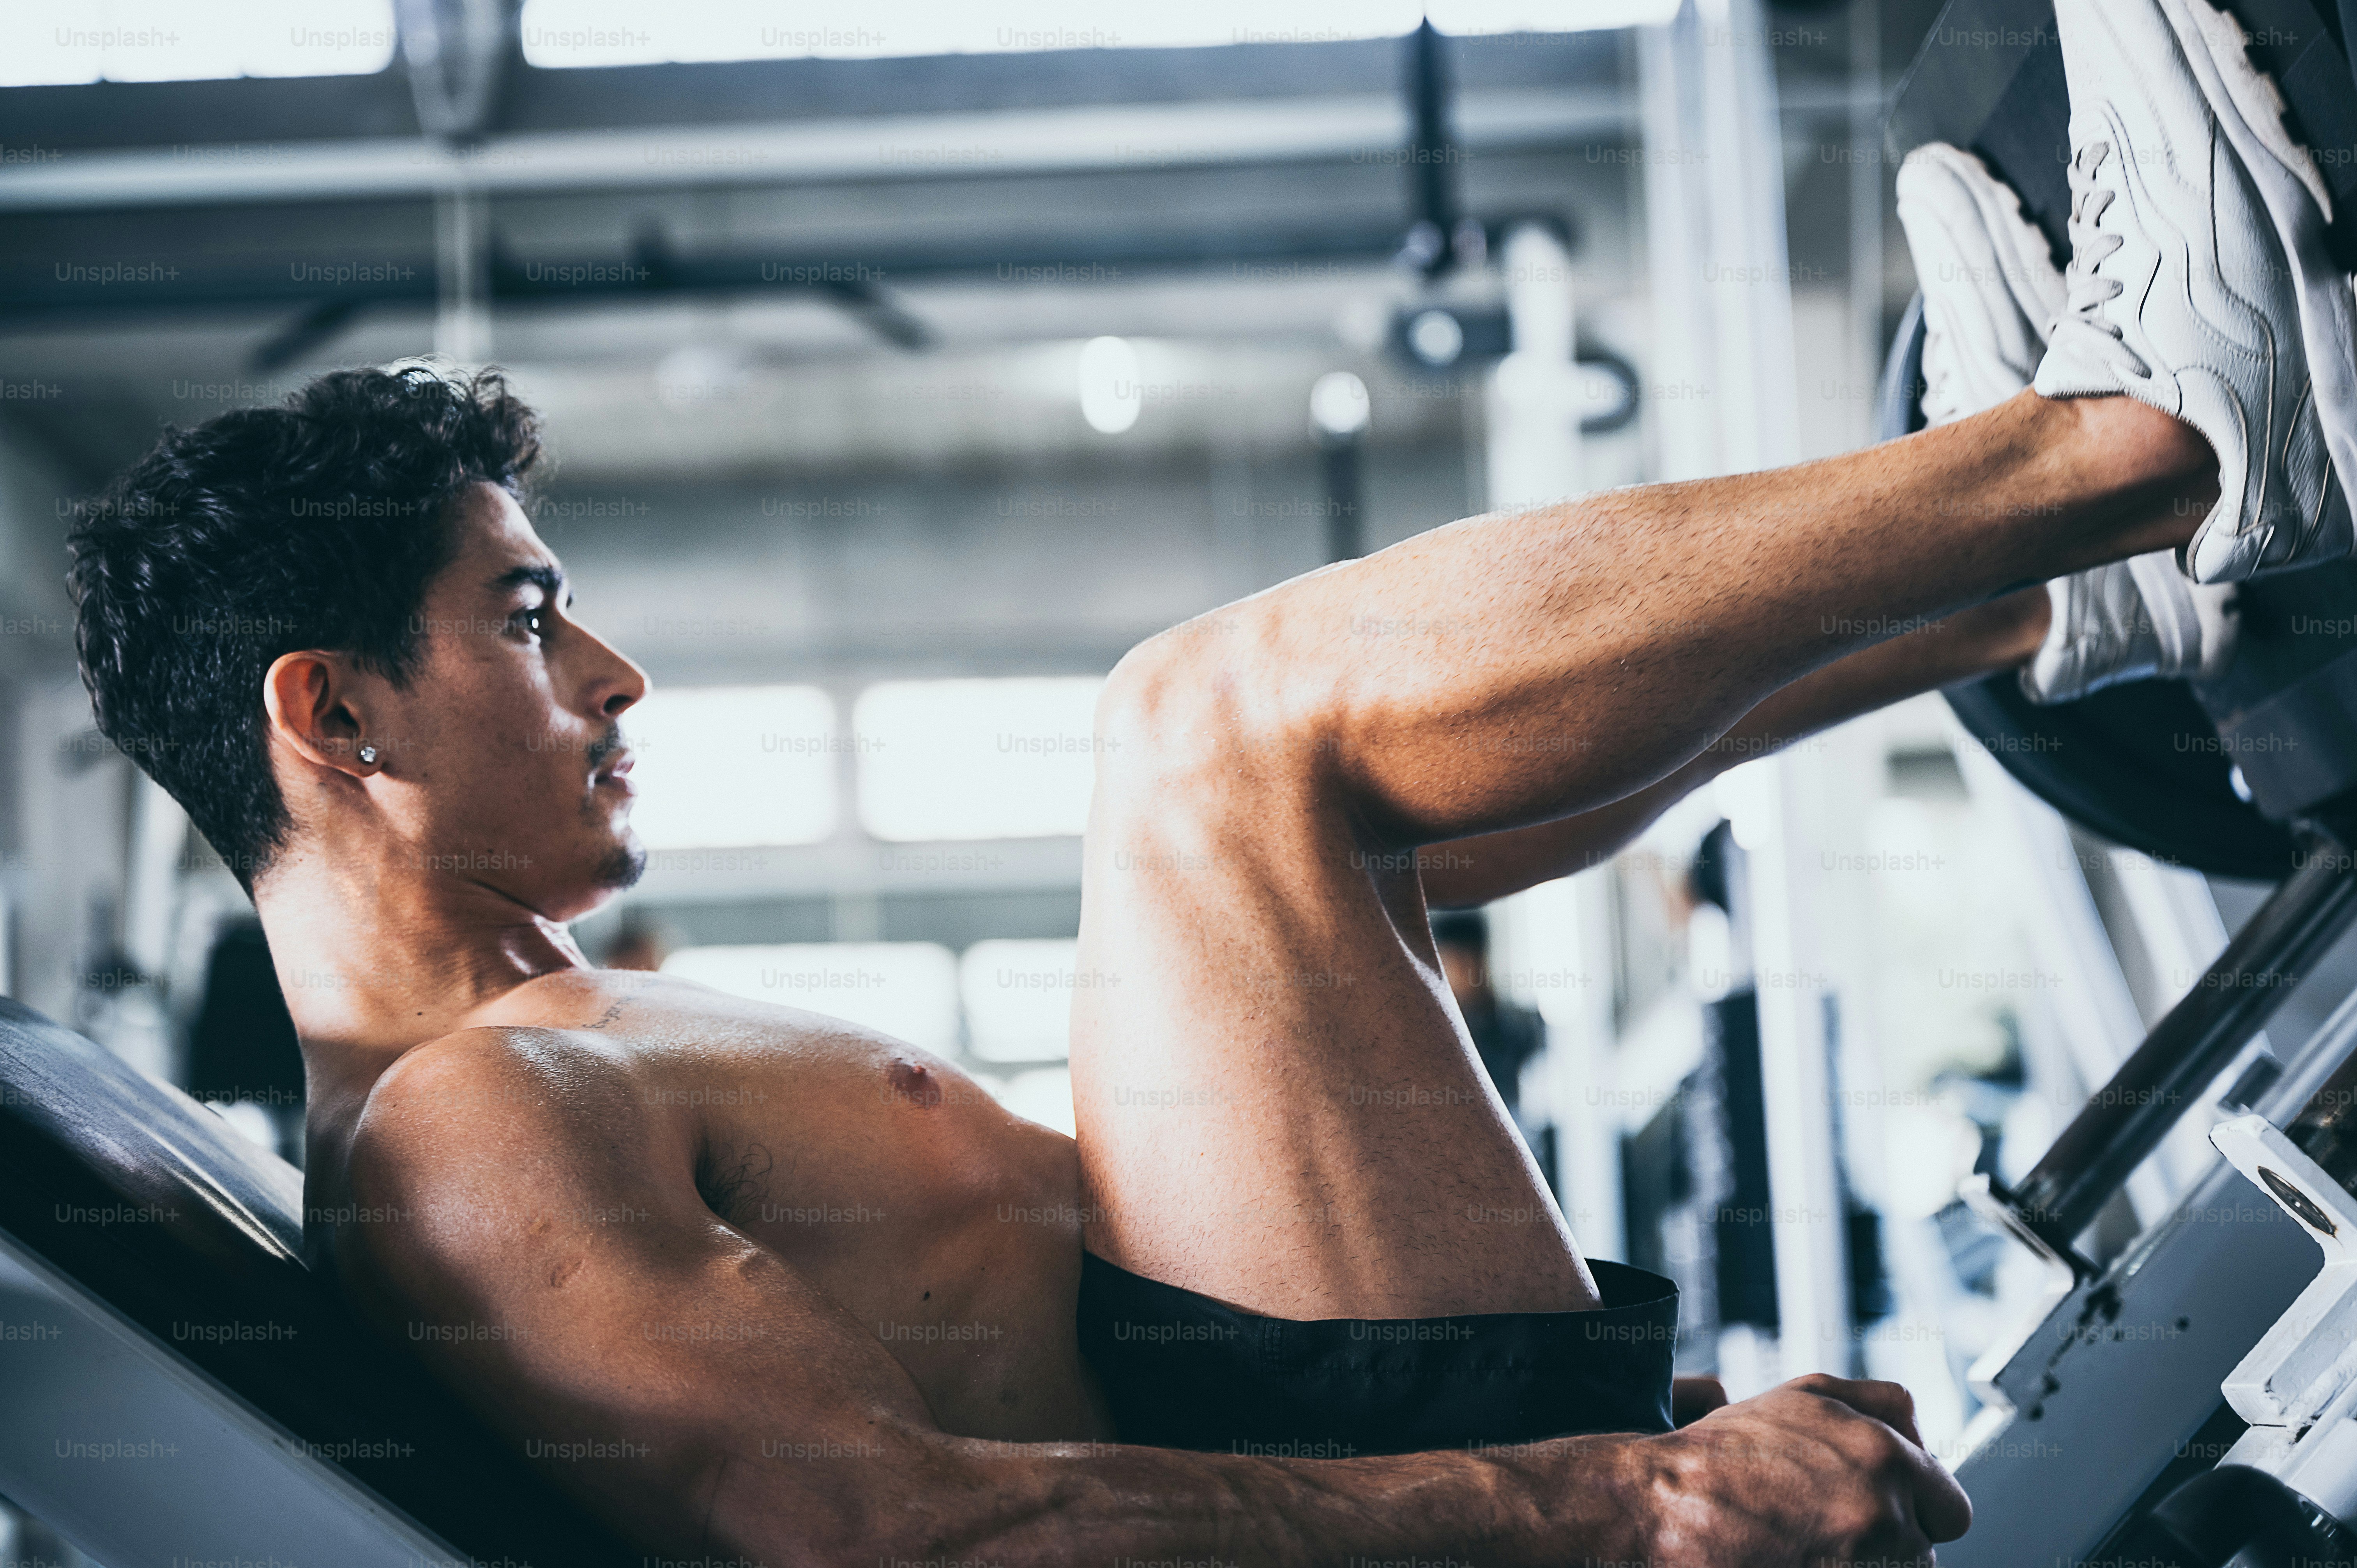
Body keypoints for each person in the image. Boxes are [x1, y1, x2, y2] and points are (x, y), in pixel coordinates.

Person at [61, 0, 2350, 1560]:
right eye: (535, 618)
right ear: (332, 714)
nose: (616, 672)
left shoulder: (555, 1043)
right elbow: (869, 1535)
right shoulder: (459, 1127)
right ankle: (2152, 437)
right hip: (1312, 1480)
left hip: (1276, 1400)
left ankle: (2069, 596)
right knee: (1207, 720)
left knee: (1355, 815)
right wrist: (1623, 1501)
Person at [1428, 909, 1547, 1123]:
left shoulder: (1517, 1024)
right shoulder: (1434, 1031)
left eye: (1470, 961)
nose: (1464, 972)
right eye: (1455, 963)